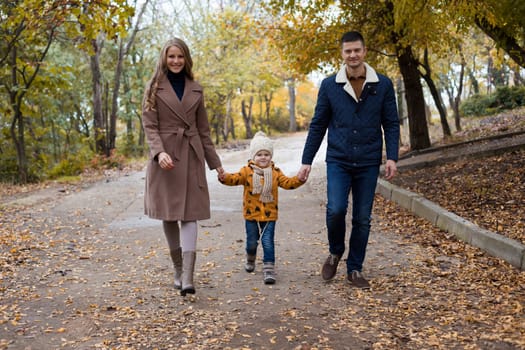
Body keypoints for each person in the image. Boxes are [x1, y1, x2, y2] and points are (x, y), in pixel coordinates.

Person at [297, 31, 400, 289]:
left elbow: (391, 123)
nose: (352, 55)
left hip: (368, 161)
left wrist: (393, 157)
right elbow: (318, 124)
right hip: (339, 160)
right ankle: (335, 251)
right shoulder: (330, 85)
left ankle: (354, 269)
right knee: (336, 209)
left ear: (364, 52)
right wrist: (307, 159)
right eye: (348, 51)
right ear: (342, 54)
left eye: (357, 50)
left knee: (362, 218)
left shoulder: (382, 85)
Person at [142, 37, 224, 296]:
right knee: (169, 215)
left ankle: (188, 277)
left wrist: (216, 164)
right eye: (171, 56)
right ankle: (177, 269)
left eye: (180, 57)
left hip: (190, 154)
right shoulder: (154, 88)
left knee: (190, 214)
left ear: (186, 59)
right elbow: (150, 126)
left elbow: (203, 130)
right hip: (165, 158)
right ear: (164, 59)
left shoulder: (196, 90)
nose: (175, 61)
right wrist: (159, 153)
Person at [218, 131, 305, 284]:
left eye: (266, 154)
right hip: (251, 214)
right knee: (252, 241)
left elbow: (288, 183)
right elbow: (234, 179)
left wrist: (299, 179)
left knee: (267, 241)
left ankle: (269, 269)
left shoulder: (275, 172)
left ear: (271, 156)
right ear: (253, 157)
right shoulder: (246, 171)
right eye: (259, 154)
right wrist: (224, 177)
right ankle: (250, 258)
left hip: (270, 214)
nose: (263, 157)